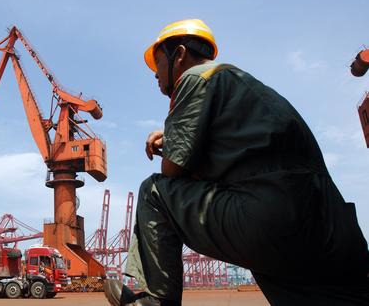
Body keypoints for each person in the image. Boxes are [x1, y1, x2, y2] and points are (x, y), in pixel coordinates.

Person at [104, 19, 369, 306]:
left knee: (154, 192)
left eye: (157, 64)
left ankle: (156, 301)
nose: (156, 75)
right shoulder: (249, 87)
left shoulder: (197, 77)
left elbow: (172, 170)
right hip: (332, 225)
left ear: (179, 55)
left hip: (270, 217)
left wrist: (168, 143)